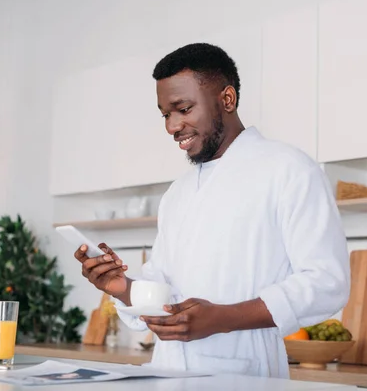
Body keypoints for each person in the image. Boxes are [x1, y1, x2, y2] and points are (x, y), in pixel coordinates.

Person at [74, 43, 350, 378]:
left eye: (184, 109)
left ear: (227, 99)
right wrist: (122, 287)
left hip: (246, 375)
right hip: (167, 371)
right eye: (165, 114)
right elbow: (164, 288)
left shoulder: (290, 170)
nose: (172, 127)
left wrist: (224, 318)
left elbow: (327, 282)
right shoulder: (178, 194)